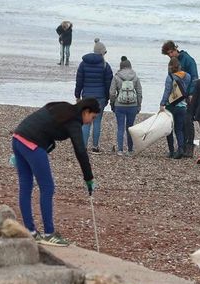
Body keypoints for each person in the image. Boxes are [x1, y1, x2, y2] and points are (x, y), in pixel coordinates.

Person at [11, 98, 100, 247]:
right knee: (47, 187)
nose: (91, 121)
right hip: (32, 144)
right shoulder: (74, 121)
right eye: (93, 117)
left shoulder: (62, 107)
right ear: (86, 112)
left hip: (18, 138)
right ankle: (49, 234)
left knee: (26, 186)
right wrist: (89, 178)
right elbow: (80, 151)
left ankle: (30, 232)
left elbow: (43, 125)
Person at [74, 38, 113, 153]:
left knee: (86, 121)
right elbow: (108, 84)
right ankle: (95, 147)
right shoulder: (105, 66)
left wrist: (77, 95)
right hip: (100, 97)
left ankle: (83, 147)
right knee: (97, 121)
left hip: (86, 96)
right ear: (102, 52)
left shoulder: (83, 64)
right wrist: (107, 97)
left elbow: (79, 80)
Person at [161, 40, 198, 156]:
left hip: (187, 96)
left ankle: (189, 147)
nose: (170, 55)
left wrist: (191, 93)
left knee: (187, 122)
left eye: (171, 52)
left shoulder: (188, 60)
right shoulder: (172, 63)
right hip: (175, 99)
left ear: (175, 49)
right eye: (168, 54)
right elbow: (169, 83)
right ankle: (180, 149)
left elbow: (195, 78)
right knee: (180, 124)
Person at [159, 57, 193, 159]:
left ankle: (171, 151)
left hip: (171, 106)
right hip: (182, 106)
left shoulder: (169, 77)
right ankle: (181, 149)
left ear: (170, 67)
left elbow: (167, 91)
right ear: (179, 66)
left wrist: (162, 104)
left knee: (169, 129)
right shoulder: (187, 76)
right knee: (179, 129)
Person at [109, 55, 142, 155]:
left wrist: (112, 103)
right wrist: (139, 105)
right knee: (130, 127)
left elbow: (111, 92)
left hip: (120, 105)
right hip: (132, 105)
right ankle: (130, 150)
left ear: (121, 67)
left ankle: (120, 150)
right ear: (130, 66)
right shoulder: (135, 76)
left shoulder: (116, 76)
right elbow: (139, 92)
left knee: (120, 127)